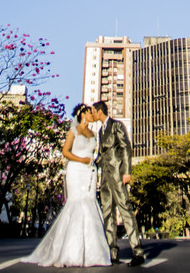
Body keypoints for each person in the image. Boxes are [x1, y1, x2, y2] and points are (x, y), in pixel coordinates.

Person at [21, 104, 112, 267]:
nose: (92, 115)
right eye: (89, 112)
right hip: (76, 170)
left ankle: (92, 253)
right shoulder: (74, 131)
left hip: (89, 173)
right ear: (83, 114)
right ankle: (70, 251)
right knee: (76, 204)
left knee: (90, 205)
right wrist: (82, 160)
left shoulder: (93, 133)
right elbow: (66, 152)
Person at [92, 101, 145, 267]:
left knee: (125, 210)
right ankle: (112, 252)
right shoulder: (101, 130)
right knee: (107, 212)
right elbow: (102, 154)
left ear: (99, 112)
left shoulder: (117, 126)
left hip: (118, 174)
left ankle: (138, 251)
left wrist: (127, 171)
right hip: (105, 177)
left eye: (93, 111)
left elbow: (125, 147)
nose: (92, 114)